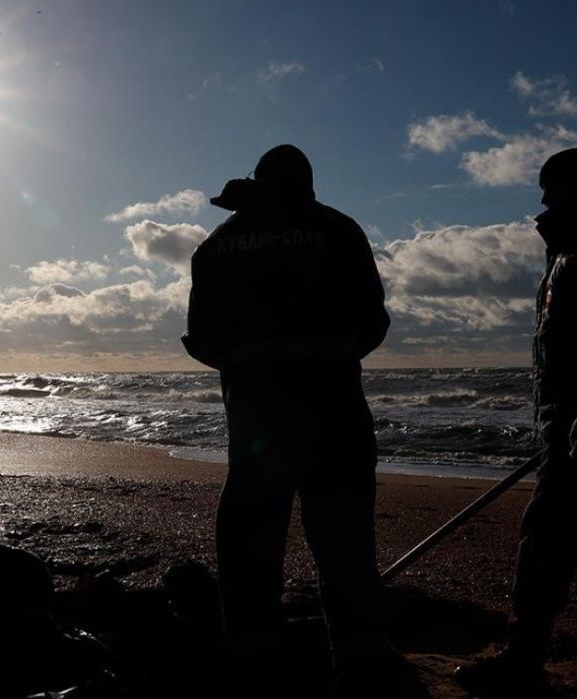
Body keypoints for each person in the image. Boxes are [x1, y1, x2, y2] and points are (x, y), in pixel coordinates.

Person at [182, 145, 392, 687]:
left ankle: (256, 656)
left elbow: (201, 338)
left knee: (251, 545)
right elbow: (372, 320)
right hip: (336, 418)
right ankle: (360, 660)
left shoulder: (219, 246)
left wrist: (245, 365)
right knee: (345, 547)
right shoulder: (339, 230)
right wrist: (330, 355)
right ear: (308, 183)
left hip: (256, 426)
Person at [455, 147, 577, 695]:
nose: (542, 199)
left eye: (551, 187)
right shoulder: (571, 246)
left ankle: (524, 658)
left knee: (545, 534)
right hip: (568, 418)